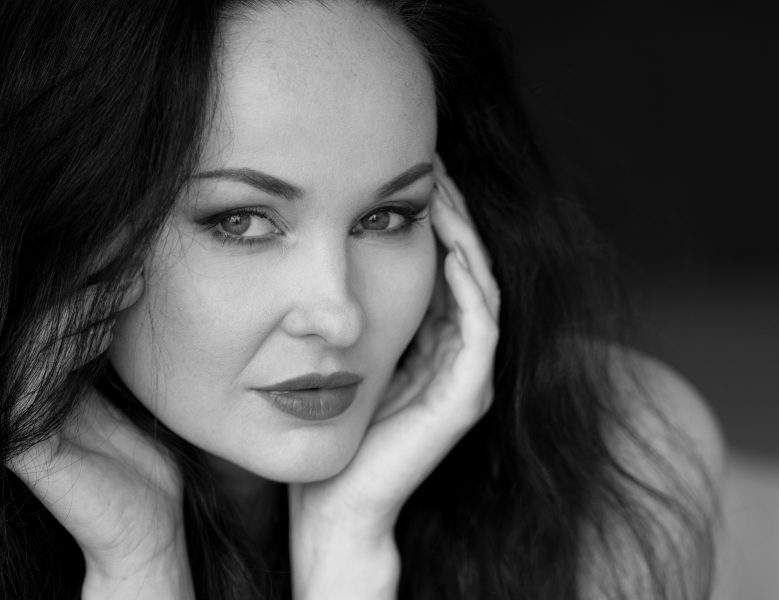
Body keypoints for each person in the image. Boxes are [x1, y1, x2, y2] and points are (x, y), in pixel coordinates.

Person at [0, 0, 722, 598]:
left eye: (387, 217)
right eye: (241, 221)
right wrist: (139, 565)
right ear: (71, 221)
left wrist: (348, 549)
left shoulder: (621, 450)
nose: (339, 316)